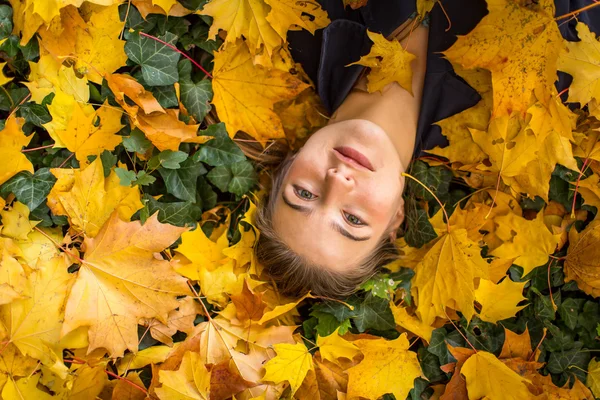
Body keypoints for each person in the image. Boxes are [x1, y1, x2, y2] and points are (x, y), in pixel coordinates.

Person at [251, 0, 600, 298]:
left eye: (305, 193)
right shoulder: (526, 101)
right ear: (396, 218)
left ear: (291, 162)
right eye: (353, 219)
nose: (338, 181)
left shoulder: (299, 18)